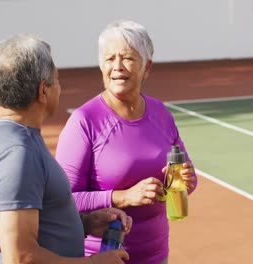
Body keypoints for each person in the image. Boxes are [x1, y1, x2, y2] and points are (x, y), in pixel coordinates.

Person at [0, 34, 132, 264]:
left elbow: (38, 218)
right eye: (56, 80)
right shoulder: (18, 154)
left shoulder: (14, 135)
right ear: (43, 91)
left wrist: (84, 223)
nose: (59, 87)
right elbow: (21, 257)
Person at [55, 20, 197, 264]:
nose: (117, 67)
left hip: (156, 256)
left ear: (147, 67)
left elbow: (187, 180)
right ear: (101, 66)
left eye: (128, 58)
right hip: (102, 258)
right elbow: (62, 199)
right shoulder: (84, 121)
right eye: (110, 59)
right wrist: (122, 197)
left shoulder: (160, 113)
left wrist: (185, 180)